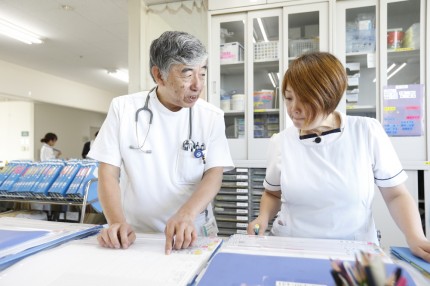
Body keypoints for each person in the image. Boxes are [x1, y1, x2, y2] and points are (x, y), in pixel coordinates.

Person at [247, 52, 430, 262]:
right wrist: (262, 217)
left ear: (329, 97)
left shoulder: (366, 131)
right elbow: (272, 194)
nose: (293, 109)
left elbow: (396, 195)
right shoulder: (281, 141)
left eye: (305, 100)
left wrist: (415, 236)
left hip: (353, 250)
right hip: (290, 247)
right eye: (288, 98)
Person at [88, 31, 234, 254]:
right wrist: (117, 222)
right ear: (159, 75)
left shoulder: (211, 117)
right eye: (187, 74)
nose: (197, 85)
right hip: (136, 233)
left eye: (202, 74)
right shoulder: (123, 109)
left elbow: (214, 174)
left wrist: (187, 213)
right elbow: (108, 172)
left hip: (192, 231)